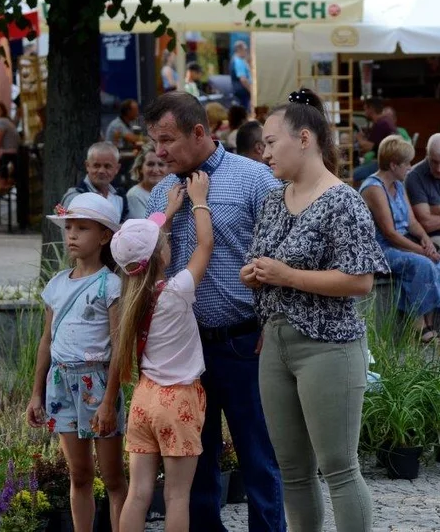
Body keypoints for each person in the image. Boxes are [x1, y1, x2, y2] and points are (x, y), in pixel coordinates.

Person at [246, 89, 388, 532]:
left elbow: (360, 280)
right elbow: (263, 264)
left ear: (304, 138)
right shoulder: (273, 199)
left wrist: (285, 275)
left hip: (329, 346)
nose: (263, 151)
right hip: (275, 344)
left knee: (339, 469)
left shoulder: (343, 200)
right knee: (292, 471)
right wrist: (255, 274)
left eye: (271, 142)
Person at [143, 92, 285, 532]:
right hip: (181, 354)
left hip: (244, 342)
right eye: (153, 142)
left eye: (166, 140)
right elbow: (144, 269)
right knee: (192, 460)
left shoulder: (255, 180)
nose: (158, 152)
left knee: (258, 455)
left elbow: (285, 254)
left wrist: (274, 319)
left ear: (199, 132)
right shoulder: (160, 195)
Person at [114, 173, 212, 532]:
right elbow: (205, 247)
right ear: (161, 254)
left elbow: (139, 249)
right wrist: (198, 201)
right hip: (178, 402)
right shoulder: (175, 292)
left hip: (144, 399)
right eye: (166, 240)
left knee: (137, 494)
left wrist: (166, 213)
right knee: (176, 497)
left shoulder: (128, 298)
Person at [27, 193, 128, 532]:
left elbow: (118, 346)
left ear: (104, 236)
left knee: (113, 476)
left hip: (97, 384)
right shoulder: (56, 285)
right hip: (61, 383)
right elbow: (47, 341)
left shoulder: (111, 285)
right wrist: (36, 393)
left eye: (82, 228)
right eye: (68, 227)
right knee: (79, 474)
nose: (71, 235)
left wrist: (108, 400)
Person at [360, 135, 440, 342]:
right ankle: (417, 327)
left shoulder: (399, 185)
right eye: (407, 163)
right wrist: (421, 251)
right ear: (394, 165)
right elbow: (389, 233)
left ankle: (430, 325)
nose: (410, 168)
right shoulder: (374, 188)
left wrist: (427, 241)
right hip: (380, 247)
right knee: (422, 263)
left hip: (402, 243)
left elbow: (412, 223)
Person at [406, 133, 440, 256]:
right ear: (427, 155)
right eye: (434, 162)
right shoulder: (415, 176)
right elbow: (426, 223)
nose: (439, 168)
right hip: (435, 238)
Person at [63, 141, 129, 223]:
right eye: (96, 165)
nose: (101, 171)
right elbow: (68, 232)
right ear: (87, 166)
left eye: (107, 166)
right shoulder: (75, 196)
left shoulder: (119, 198)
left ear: (117, 168)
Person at [352, 97, 395, 184]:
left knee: (350, 176)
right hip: (387, 163)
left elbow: (367, 147)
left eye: (365, 109)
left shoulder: (381, 123)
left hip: (383, 165)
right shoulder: (385, 121)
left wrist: (359, 138)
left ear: (370, 109)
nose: (364, 112)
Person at [125, 144, 168, 220]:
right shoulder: (135, 195)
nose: (155, 170)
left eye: (161, 164)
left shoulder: (171, 191)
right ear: (140, 168)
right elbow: (146, 228)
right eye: (150, 164)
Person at [0, 100, 20, 183]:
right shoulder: (7, 121)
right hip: (14, 157)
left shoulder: (1, 121)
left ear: (3, 112)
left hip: (7, 157)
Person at [231, 41, 253, 109]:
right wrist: (252, 91)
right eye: (245, 49)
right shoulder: (238, 62)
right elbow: (243, 79)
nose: (246, 51)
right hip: (243, 93)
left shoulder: (238, 60)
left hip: (242, 92)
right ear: (239, 50)